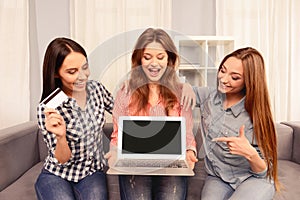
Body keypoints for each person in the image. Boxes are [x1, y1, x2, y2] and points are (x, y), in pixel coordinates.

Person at [105, 28, 198, 200]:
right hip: (135, 163)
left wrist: (190, 151)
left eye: (160, 57)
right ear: (139, 59)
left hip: (171, 163)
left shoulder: (180, 92)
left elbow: (187, 134)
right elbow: (118, 134)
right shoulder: (126, 91)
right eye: (147, 57)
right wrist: (115, 152)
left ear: (169, 59)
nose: (153, 63)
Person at [183, 47, 280, 199]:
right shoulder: (208, 96)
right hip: (218, 177)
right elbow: (172, 89)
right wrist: (185, 86)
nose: (223, 79)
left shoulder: (256, 115)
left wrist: (250, 153)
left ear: (249, 81)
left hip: (253, 178)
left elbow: (263, 171)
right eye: (222, 70)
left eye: (234, 77)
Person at [35, 37, 114, 200]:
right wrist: (61, 136)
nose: (82, 76)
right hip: (56, 174)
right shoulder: (48, 108)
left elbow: (124, 110)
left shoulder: (96, 89)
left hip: (91, 173)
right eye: (72, 72)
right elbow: (62, 160)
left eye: (85, 67)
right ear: (56, 73)